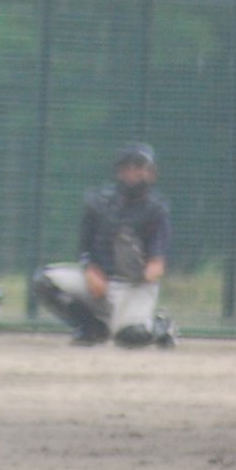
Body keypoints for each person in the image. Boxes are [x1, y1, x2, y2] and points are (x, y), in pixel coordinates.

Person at [31, 141, 176, 347]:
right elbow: (84, 248)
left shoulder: (156, 211)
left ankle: (160, 326)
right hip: (100, 281)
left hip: (134, 285)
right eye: (127, 167)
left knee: (130, 338)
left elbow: (156, 264)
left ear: (151, 173)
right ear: (119, 172)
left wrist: (141, 273)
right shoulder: (98, 204)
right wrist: (90, 269)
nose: (133, 173)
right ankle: (91, 328)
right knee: (43, 281)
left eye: (139, 167)